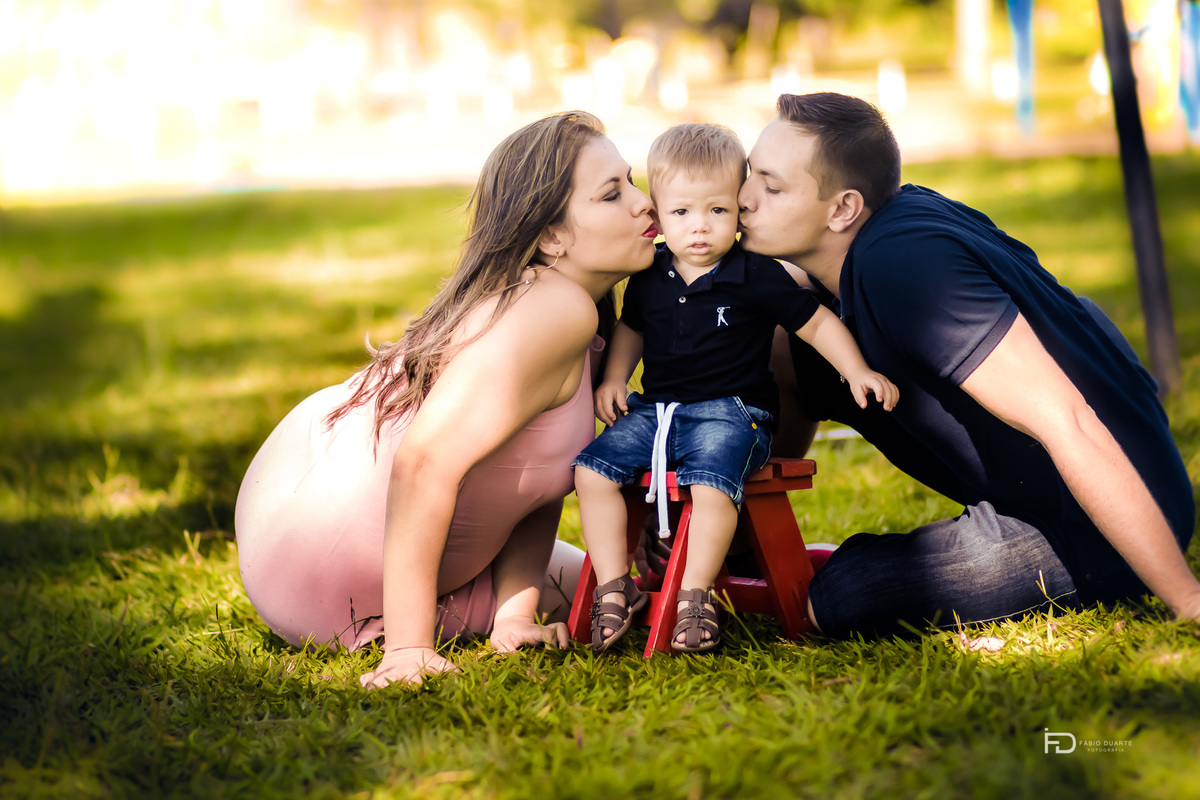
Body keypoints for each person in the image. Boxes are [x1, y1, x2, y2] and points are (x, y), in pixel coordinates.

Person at [737, 91, 1200, 637]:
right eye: (750, 174)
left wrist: (1188, 600)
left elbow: (1068, 419)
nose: (743, 199)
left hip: (1096, 516)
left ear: (843, 209)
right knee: (780, 335)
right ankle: (742, 537)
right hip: (1070, 475)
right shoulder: (876, 232)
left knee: (837, 597)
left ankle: (1138, 567)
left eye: (771, 187)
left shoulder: (906, 267)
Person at [235, 110, 661, 687]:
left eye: (631, 182)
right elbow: (424, 460)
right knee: (615, 593)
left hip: (322, 568)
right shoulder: (553, 309)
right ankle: (402, 634)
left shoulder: (570, 314)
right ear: (550, 237)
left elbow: (532, 485)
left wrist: (515, 617)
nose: (644, 203)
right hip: (319, 547)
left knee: (617, 592)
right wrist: (408, 651)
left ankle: (464, 616)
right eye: (612, 194)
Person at [573, 122, 898, 653]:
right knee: (592, 471)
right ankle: (615, 585)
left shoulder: (755, 274)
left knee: (709, 483)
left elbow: (816, 322)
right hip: (658, 413)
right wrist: (613, 378)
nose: (699, 226)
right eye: (682, 212)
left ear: (740, 208)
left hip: (733, 412)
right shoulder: (651, 275)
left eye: (717, 210)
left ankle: (695, 595)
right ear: (658, 214)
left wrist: (857, 370)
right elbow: (632, 328)